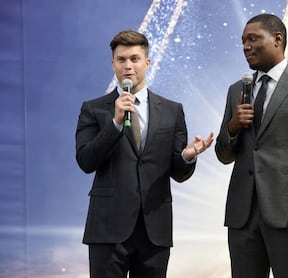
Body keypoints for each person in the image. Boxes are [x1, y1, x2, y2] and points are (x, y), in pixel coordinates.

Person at [75, 30, 214, 278]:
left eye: (135, 59)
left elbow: (178, 173)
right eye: (121, 60)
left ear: (147, 63)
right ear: (113, 64)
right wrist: (115, 124)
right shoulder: (93, 109)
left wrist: (187, 156)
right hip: (108, 229)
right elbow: (86, 161)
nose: (128, 66)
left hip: (154, 229)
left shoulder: (172, 111)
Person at [215, 14, 288, 278]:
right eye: (243, 41)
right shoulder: (237, 90)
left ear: (277, 39)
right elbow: (223, 155)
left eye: (253, 39)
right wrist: (233, 127)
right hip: (242, 217)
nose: (246, 46)